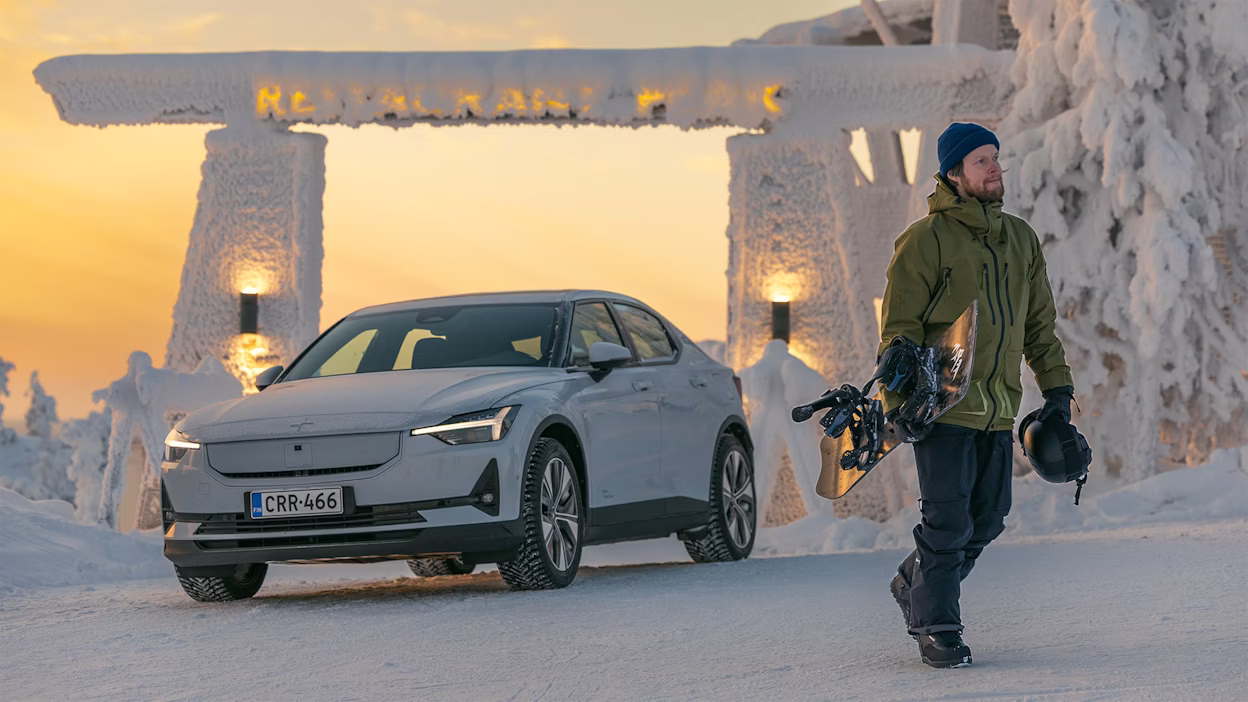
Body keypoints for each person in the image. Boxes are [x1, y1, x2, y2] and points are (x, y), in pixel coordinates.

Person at [877, 122, 1075, 668]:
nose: (994, 169)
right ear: (954, 173)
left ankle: (915, 582)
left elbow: (1039, 326)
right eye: (981, 161)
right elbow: (900, 330)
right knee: (948, 521)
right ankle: (938, 627)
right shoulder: (925, 239)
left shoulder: (1020, 238)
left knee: (988, 518)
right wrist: (899, 403)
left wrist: (1057, 390)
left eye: (995, 158)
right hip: (942, 404)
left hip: (996, 408)